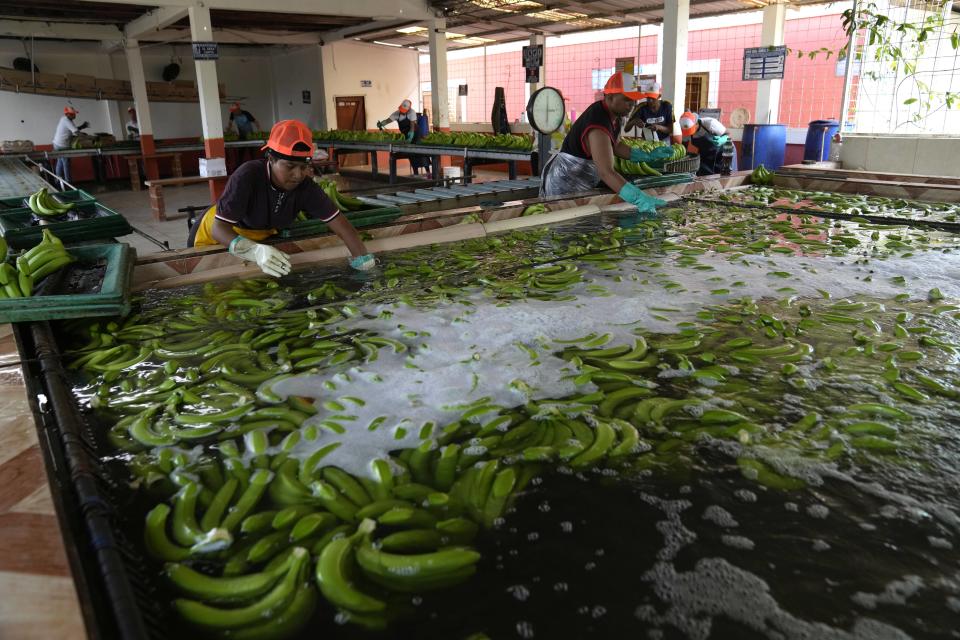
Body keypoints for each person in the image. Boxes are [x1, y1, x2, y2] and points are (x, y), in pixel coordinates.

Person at [189, 119, 376, 277]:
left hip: (259, 237)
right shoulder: (248, 176)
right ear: (271, 159)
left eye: (304, 167)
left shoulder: (306, 188)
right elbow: (220, 229)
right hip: (217, 234)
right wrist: (254, 251)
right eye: (290, 166)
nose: (297, 175)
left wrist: (363, 262)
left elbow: (343, 227)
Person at [540, 71, 673, 214]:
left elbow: (615, 146)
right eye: (627, 99)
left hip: (582, 179)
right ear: (610, 97)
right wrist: (639, 198)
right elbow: (606, 172)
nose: (632, 105)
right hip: (566, 183)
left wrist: (644, 155)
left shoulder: (615, 116)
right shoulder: (598, 122)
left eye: (634, 100)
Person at [377, 99, 427, 175]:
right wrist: (382, 123)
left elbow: (412, 126)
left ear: (409, 109)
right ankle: (416, 172)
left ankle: (428, 171)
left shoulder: (412, 112)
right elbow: (388, 120)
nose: (402, 112)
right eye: (401, 110)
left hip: (415, 134)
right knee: (411, 153)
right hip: (406, 135)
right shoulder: (397, 114)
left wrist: (411, 135)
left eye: (404, 110)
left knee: (420, 152)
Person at [678, 111, 731, 176]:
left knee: (722, 175)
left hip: (722, 153)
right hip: (705, 155)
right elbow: (684, 146)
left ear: (696, 123)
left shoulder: (710, 123)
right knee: (703, 175)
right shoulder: (686, 130)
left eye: (691, 130)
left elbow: (728, 133)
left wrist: (723, 139)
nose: (691, 134)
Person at [51, 106, 89, 185]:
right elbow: (76, 132)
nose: (75, 115)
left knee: (60, 162)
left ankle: (58, 181)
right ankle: (68, 182)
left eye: (74, 114)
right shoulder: (66, 121)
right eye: (73, 114)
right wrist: (88, 138)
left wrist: (82, 127)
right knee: (66, 162)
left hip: (57, 144)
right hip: (62, 145)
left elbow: (73, 129)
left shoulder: (66, 119)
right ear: (67, 114)